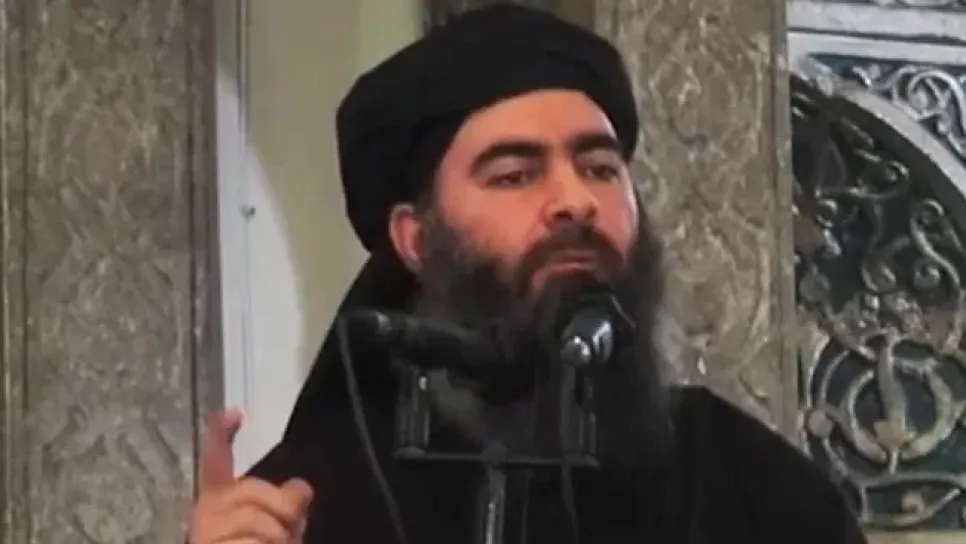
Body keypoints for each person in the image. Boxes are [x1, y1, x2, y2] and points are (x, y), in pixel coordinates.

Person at [189, 4, 867, 544]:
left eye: (599, 168)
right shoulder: (316, 501)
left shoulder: (749, 486)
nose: (575, 200)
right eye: (515, 175)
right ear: (416, 240)